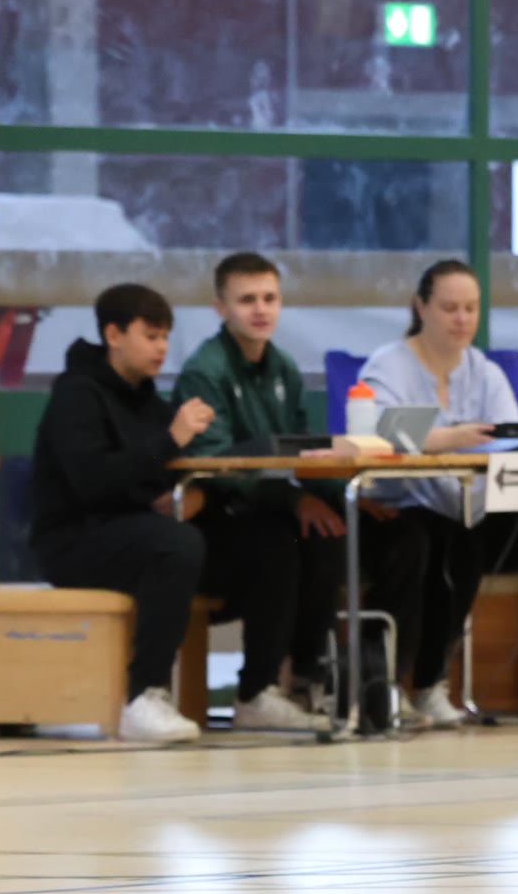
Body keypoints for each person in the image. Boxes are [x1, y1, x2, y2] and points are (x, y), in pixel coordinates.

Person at [173, 252, 426, 732]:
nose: (260, 309)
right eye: (247, 300)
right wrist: (295, 501)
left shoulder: (283, 367)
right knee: (306, 538)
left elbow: (306, 455)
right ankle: (291, 682)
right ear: (220, 308)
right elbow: (217, 467)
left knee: (400, 536)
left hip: (283, 504)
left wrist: (345, 492)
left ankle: (377, 683)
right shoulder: (205, 370)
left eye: (269, 298)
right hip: (233, 514)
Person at [357, 260, 518, 719]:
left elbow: (512, 439)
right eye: (450, 308)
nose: (462, 319)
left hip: (479, 506)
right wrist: (451, 437)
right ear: (420, 307)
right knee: (455, 542)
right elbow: (377, 433)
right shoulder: (387, 365)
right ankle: (428, 683)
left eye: (471, 308)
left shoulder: (484, 371)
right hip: (410, 509)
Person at [30, 284, 212, 742]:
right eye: (150, 336)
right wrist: (169, 441)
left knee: (264, 540)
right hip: (74, 541)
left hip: (133, 531)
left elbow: (166, 472)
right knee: (175, 544)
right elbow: (93, 481)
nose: (161, 348)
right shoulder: (76, 394)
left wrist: (197, 495)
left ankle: (265, 688)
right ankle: (144, 695)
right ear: (113, 335)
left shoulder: (148, 401)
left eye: (165, 337)